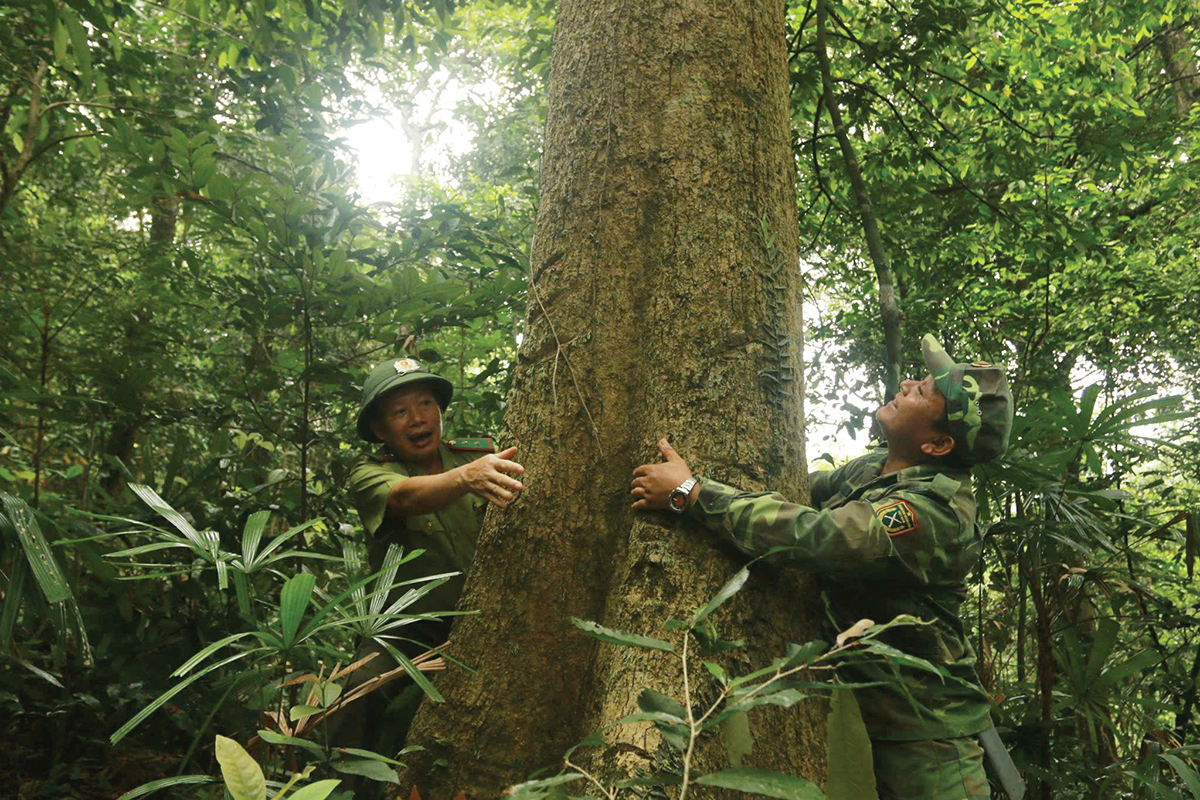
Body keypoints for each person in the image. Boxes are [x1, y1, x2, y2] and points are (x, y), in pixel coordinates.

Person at [630, 334, 1013, 799]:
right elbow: (798, 491)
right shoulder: (878, 468)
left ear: (938, 443)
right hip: (859, 710)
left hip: (928, 734)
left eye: (923, 391)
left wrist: (693, 493)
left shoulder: (935, 512)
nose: (907, 384)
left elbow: (816, 536)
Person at [333, 356, 525, 758]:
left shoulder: (477, 456)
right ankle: (342, 780)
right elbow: (403, 497)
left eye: (425, 404)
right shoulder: (369, 472)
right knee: (359, 692)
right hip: (408, 628)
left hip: (491, 615)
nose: (417, 419)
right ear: (379, 429)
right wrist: (466, 478)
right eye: (400, 412)